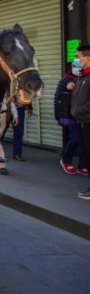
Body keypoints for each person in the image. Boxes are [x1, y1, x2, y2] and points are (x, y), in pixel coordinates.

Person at [55, 60, 83, 175]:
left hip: (82, 115)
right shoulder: (65, 80)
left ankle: (83, 165)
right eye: (76, 67)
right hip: (69, 116)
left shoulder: (84, 78)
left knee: (83, 140)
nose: (78, 69)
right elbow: (57, 99)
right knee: (74, 138)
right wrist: (59, 117)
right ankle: (66, 160)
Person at [70, 44, 90, 199]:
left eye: (78, 56)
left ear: (87, 58)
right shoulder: (82, 76)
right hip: (82, 120)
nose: (76, 59)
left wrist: (79, 110)